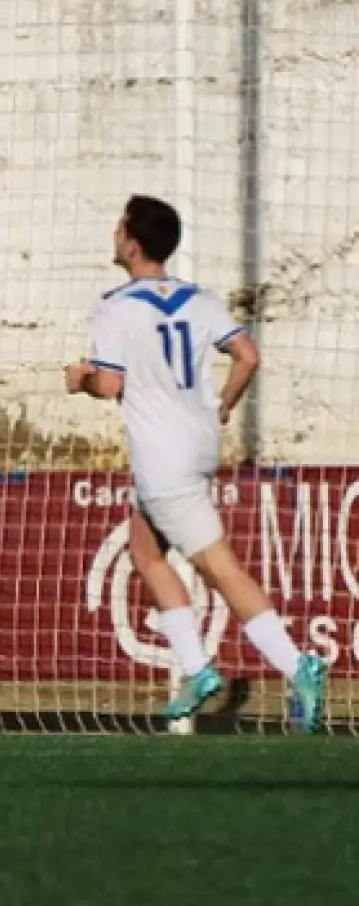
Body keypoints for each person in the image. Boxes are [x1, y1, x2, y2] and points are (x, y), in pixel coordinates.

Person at [66, 194, 326, 731]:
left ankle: (296, 664)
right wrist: (226, 403)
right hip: (200, 443)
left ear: (132, 242)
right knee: (146, 550)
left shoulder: (117, 305)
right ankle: (197, 668)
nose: (114, 233)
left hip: (164, 459)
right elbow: (248, 356)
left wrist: (79, 379)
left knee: (219, 567)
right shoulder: (200, 298)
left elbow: (109, 384)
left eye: (119, 226)